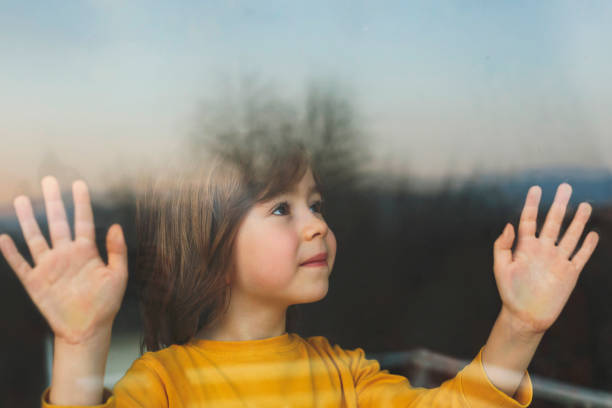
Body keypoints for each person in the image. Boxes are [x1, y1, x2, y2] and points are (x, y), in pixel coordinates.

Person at [0, 138, 599, 407]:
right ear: (211, 243)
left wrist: (519, 325)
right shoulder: (165, 382)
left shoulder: (343, 373)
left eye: (316, 204)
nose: (315, 224)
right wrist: (80, 343)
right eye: (282, 208)